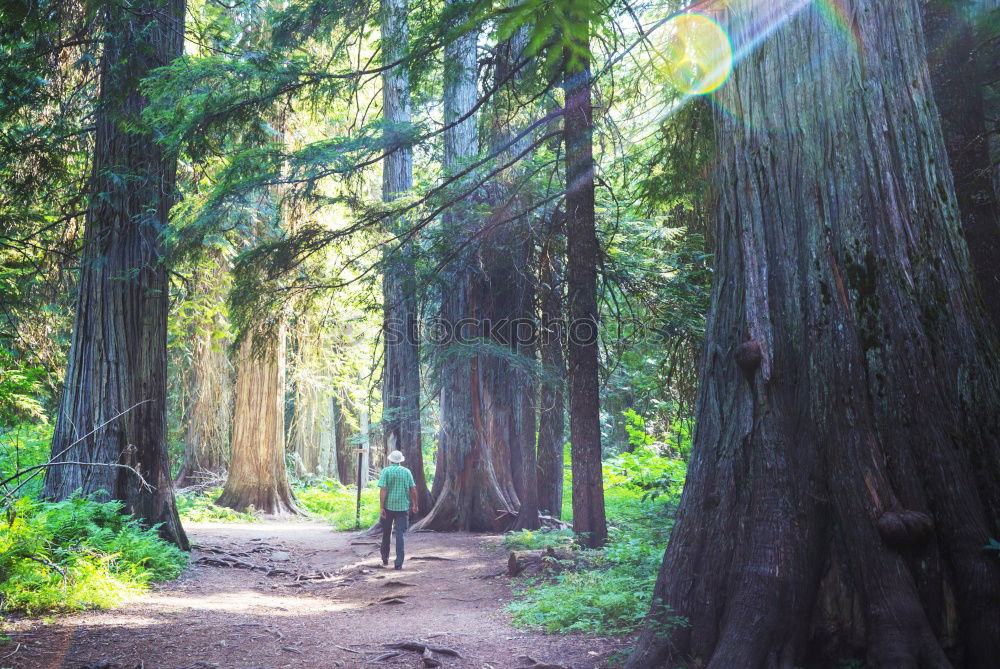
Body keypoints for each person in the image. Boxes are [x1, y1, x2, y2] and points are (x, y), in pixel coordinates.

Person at [377, 449, 418, 569]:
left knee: (386, 532)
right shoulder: (407, 472)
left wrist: (381, 507)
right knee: (400, 534)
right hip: (403, 507)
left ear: (390, 460)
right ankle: (398, 564)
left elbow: (383, 489)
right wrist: (415, 504)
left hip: (388, 507)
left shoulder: (386, 471)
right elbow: (413, 489)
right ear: (400, 461)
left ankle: (385, 558)